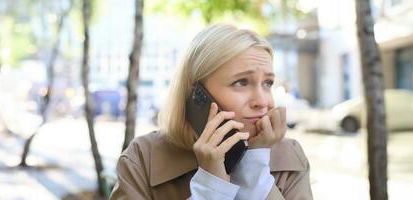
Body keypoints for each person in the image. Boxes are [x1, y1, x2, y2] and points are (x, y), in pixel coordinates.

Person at [110, 24, 313, 200]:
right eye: (241, 82)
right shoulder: (143, 158)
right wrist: (210, 189)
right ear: (197, 95)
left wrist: (255, 171)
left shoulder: (290, 157)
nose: (263, 101)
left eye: (267, 83)